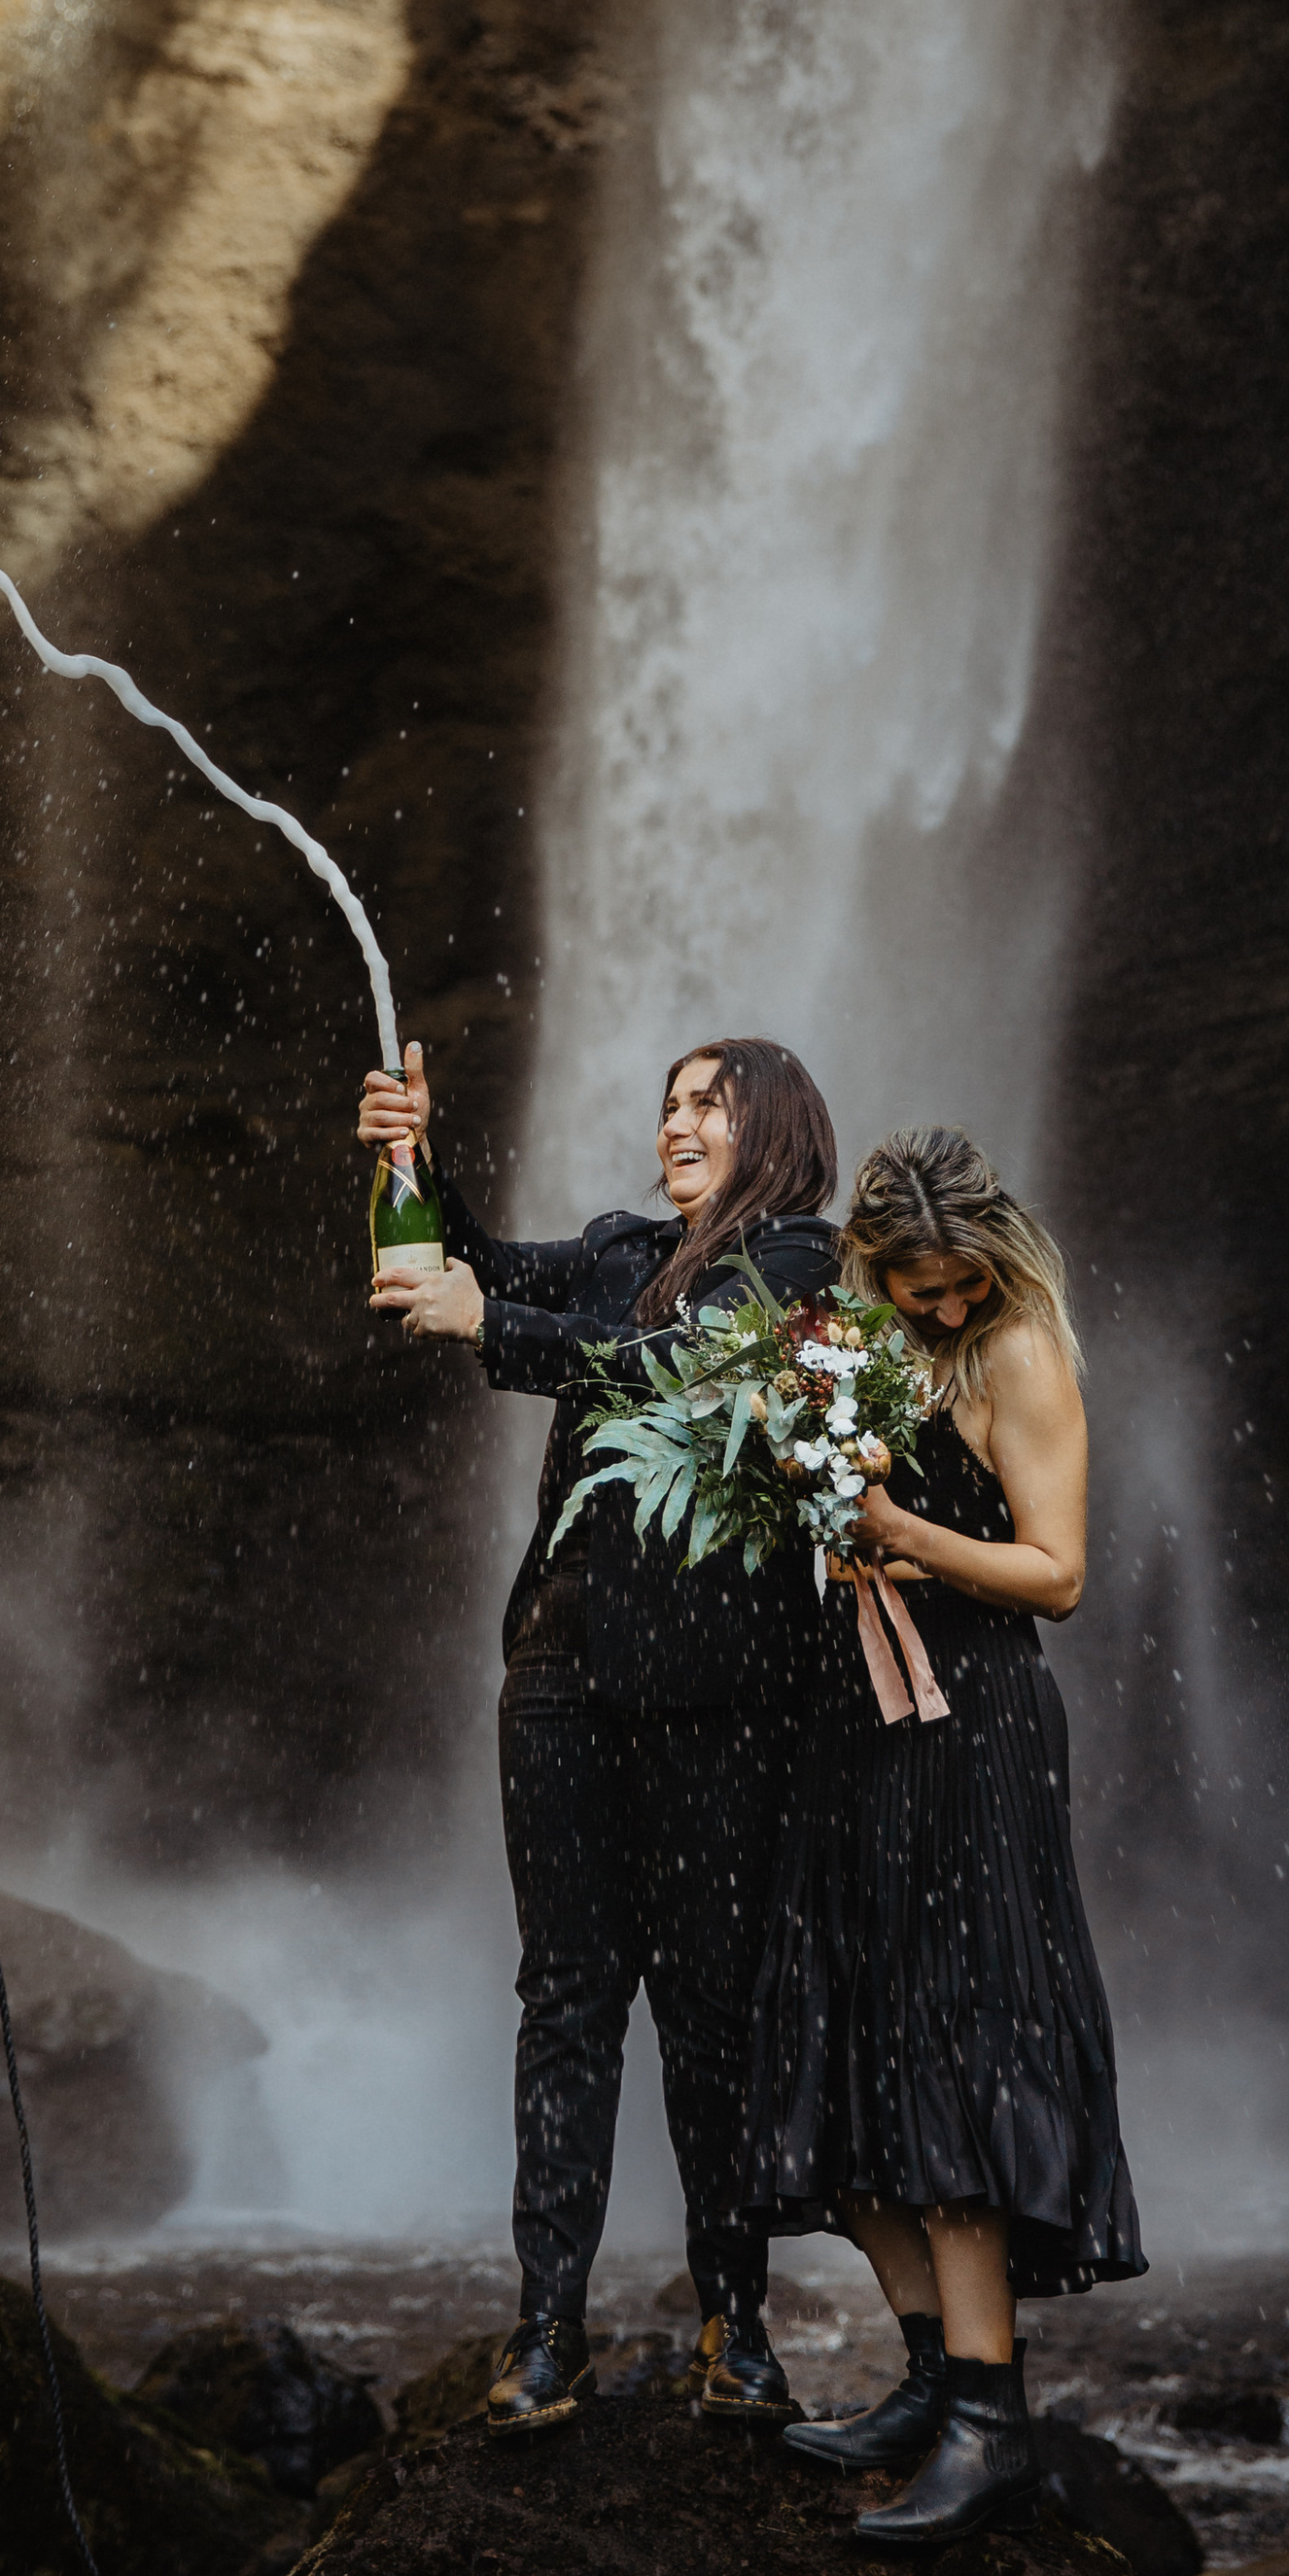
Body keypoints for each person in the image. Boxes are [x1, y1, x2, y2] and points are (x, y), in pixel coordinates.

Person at [360, 1033, 840, 2436]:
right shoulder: (620, 1244)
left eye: (712, 1103)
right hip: (561, 1668)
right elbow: (474, 1265)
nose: (677, 1121)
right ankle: (545, 2330)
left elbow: (680, 1368)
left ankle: (732, 2324)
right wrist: (412, 1160)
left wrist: (485, 1327)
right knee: (566, 1995)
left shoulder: (800, 1268)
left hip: (715, 1690)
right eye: (670, 1101)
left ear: (781, 1131)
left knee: (707, 2014)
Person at [740, 1124, 1144, 2548]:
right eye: (924, 1288)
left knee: (952, 2048)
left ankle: (993, 2420)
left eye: (967, 1281)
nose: (952, 1307)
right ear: (870, 1264)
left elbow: (1059, 1571)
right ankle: (926, 2374)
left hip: (971, 1729)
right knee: (845, 2042)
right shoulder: (839, 1339)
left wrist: (901, 1530)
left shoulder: (1018, 1352)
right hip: (855, 1726)